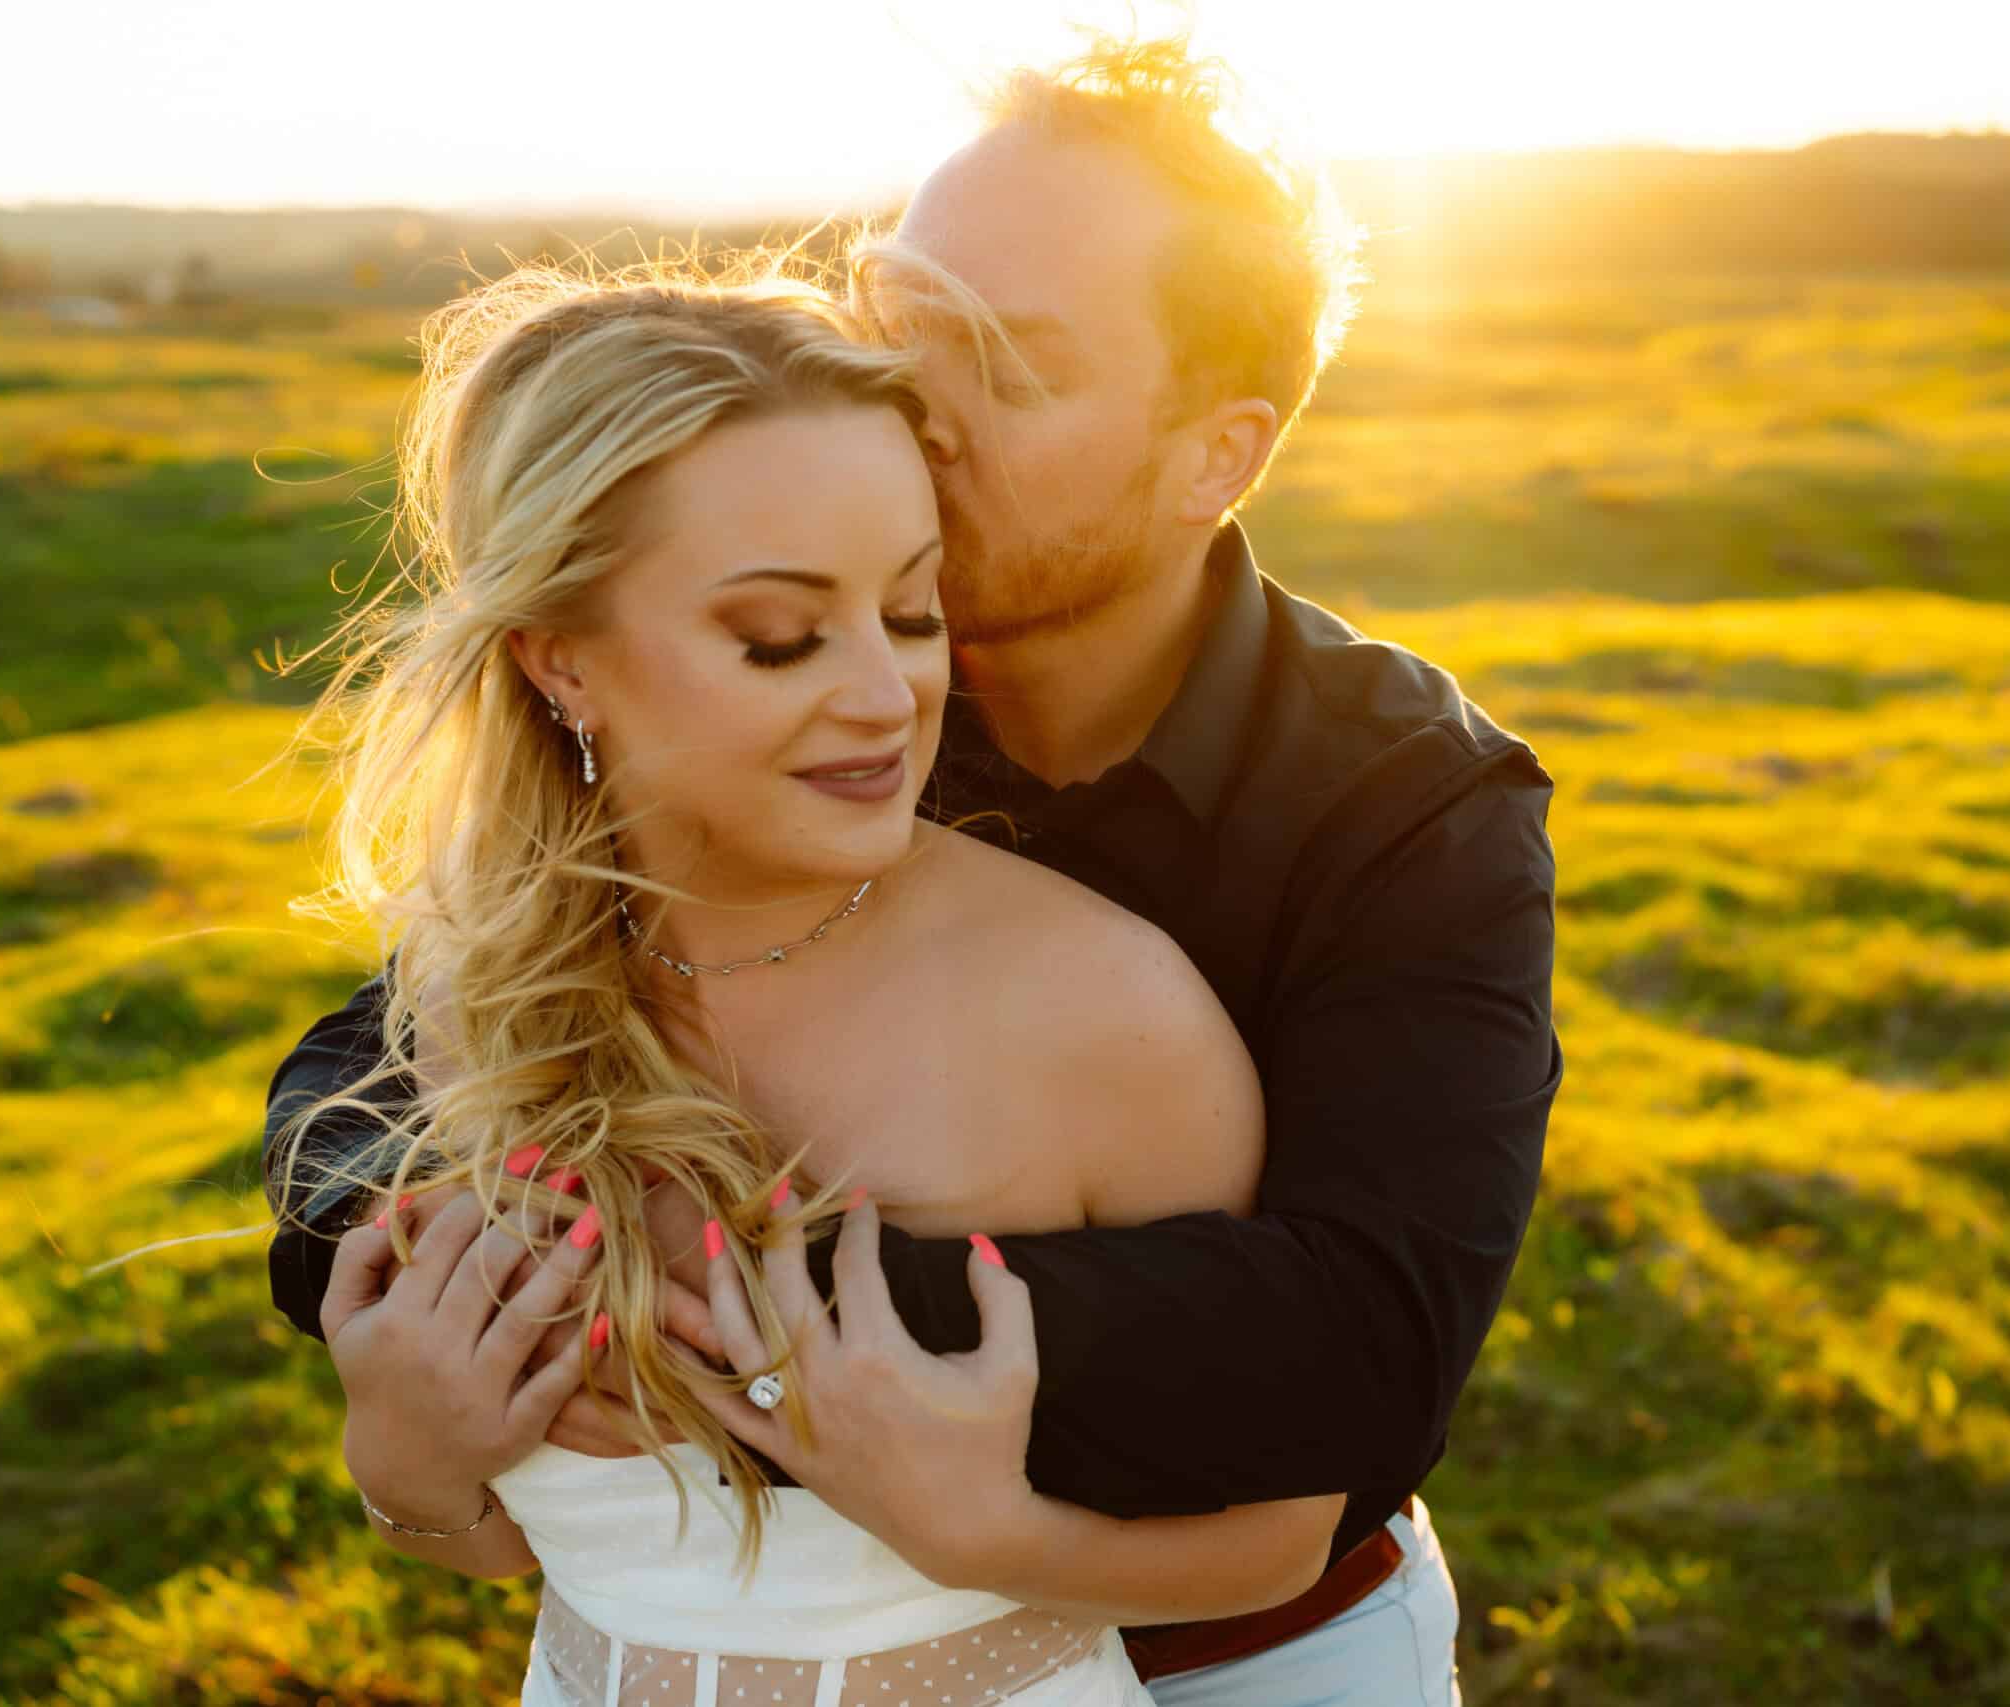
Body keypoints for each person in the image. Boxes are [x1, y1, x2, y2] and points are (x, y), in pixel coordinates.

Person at [268, 37, 1560, 1707]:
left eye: (1006, 366)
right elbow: (388, 1058)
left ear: (1210, 458)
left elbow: (1357, 1344)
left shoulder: (1406, 801)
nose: (914, 403)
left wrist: (652, 1290)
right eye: (903, 316)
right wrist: (402, 1296)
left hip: (1259, 1651)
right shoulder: (779, 701)